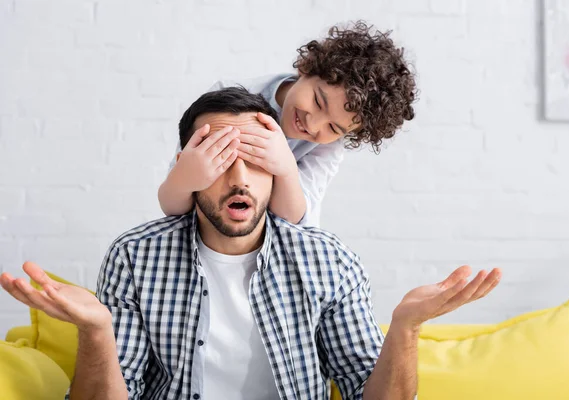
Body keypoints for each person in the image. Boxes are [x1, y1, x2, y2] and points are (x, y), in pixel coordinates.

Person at [0, 88, 500, 400]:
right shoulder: (135, 256)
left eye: (257, 160)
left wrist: (405, 328)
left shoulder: (328, 261)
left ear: (283, 167)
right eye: (219, 158)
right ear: (188, 169)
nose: (240, 178)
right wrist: (97, 331)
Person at [158, 21, 417, 227]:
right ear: (306, 67)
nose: (314, 125)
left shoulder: (326, 147)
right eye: (318, 101)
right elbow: (173, 205)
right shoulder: (227, 101)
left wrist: (284, 168)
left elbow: (294, 218)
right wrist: (185, 179)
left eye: (335, 128)